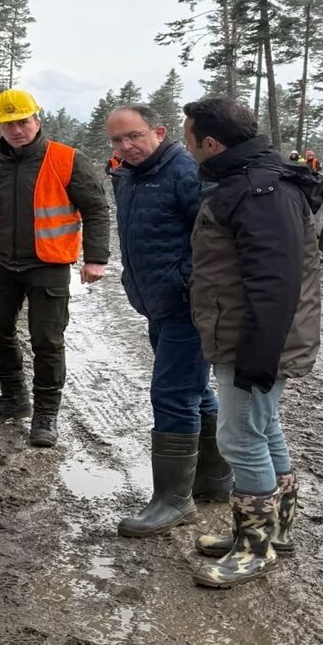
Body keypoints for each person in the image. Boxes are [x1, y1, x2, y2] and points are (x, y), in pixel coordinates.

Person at [181, 97, 323, 589]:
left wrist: (257, 358)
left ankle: (252, 549)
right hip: (252, 335)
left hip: (256, 340)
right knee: (263, 428)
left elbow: (275, 283)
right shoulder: (248, 181)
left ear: (210, 143)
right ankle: (274, 531)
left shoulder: (261, 191)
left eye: (188, 135)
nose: (184, 143)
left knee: (240, 438)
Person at [0, 89, 112, 447]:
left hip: (49, 263)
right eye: (7, 124)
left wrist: (96, 258)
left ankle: (45, 413)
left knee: (47, 339)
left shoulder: (67, 159)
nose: (16, 130)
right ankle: (13, 398)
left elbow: (96, 209)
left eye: (22, 122)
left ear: (37, 120)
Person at [104, 104, 231, 539]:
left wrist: (184, 282)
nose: (126, 146)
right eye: (117, 140)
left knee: (173, 394)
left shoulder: (184, 171)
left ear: (158, 132)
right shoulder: (130, 175)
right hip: (158, 303)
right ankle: (214, 479)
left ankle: (174, 500)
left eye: (134, 136)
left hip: (186, 306)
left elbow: (214, 238)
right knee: (194, 390)